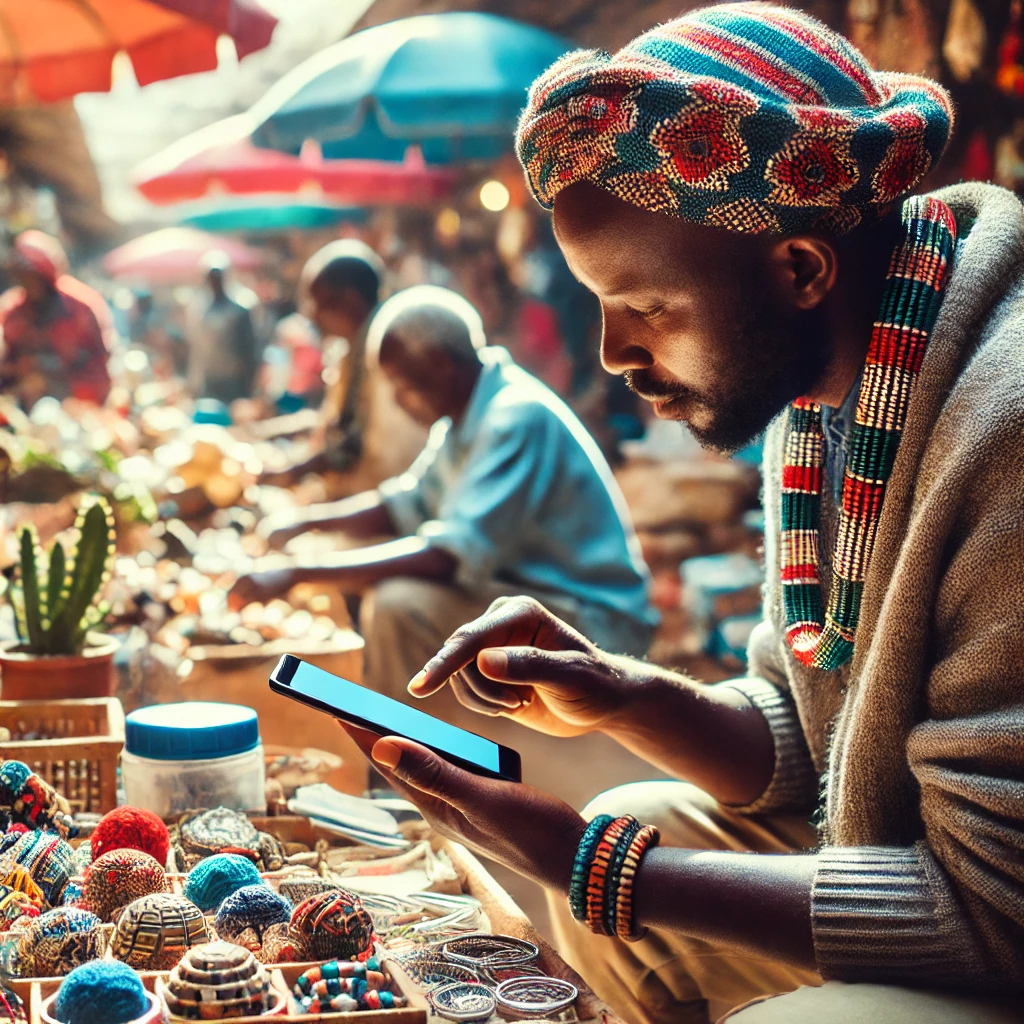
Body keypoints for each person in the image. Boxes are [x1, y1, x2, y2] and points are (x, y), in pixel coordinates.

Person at [335, 5, 1024, 1023]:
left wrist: (584, 863)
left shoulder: (1001, 428)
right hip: (907, 856)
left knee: (720, 950)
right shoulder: (830, 391)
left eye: (645, 308)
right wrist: (622, 694)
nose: (613, 353)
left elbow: (996, 911)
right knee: (630, 818)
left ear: (797, 268)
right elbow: (809, 737)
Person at [231, 285, 656, 699]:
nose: (398, 400)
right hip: (537, 600)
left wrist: (298, 571)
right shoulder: (462, 419)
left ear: (439, 365)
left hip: (594, 620)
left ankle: (409, 747)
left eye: (401, 383)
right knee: (381, 572)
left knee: (400, 603)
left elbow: (449, 555)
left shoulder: (513, 417)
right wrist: (304, 523)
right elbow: (405, 504)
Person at [259, 240, 384, 484]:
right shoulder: (350, 350)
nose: (312, 315)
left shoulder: (382, 354)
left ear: (351, 299)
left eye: (317, 302)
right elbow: (332, 421)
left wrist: (293, 472)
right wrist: (273, 429)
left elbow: (357, 443)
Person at [0, 230, 110, 408]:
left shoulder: (80, 306)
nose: (28, 282)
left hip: (78, 402)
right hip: (26, 405)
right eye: (22, 276)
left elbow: (98, 362)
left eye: (32, 275)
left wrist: (50, 379)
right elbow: (8, 365)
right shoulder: (12, 310)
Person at [186, 251, 258, 405]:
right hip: (209, 378)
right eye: (211, 278)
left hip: (233, 380)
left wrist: (250, 384)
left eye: (217, 278)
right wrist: (194, 380)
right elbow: (197, 348)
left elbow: (249, 349)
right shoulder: (200, 309)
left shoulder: (238, 309)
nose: (214, 282)